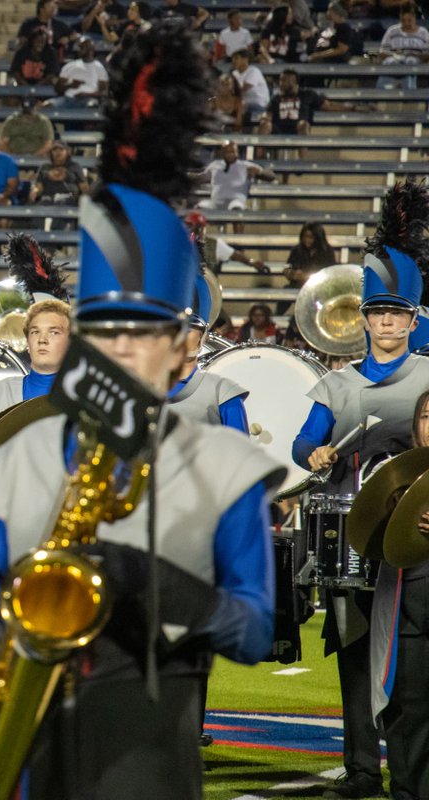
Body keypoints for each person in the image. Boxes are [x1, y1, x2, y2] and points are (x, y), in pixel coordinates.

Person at [0, 29, 282, 798]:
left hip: (148, 761)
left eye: (142, 335)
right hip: (25, 752)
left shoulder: (224, 469)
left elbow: (256, 631)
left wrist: (147, 578)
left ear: (180, 347)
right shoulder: (26, 455)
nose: (121, 353)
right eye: (103, 333)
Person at [293, 182, 429, 800]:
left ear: (413, 318)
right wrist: (315, 452)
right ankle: (357, 771)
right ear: (364, 319)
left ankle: (410, 771)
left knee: (413, 658)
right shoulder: (338, 381)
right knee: (353, 651)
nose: (386, 325)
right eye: (377, 315)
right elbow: (303, 443)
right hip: (354, 531)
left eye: (396, 315)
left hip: (419, 534)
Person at [369, 388, 429, 800]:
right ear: (415, 426)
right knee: (410, 713)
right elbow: (368, 533)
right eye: (427, 416)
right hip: (408, 608)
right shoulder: (392, 471)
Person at [0, 233, 70, 426]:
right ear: (28, 341)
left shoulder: (85, 400)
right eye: (35, 332)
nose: (42, 339)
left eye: (54, 332)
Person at [169, 269, 249, 430]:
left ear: (202, 336)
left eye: (188, 329)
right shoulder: (140, 389)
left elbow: (238, 451)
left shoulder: (222, 393)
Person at [192, 141, 277, 212]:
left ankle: (238, 233)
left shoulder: (246, 166)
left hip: (236, 201)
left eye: (232, 152)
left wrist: (260, 172)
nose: (230, 154)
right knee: (199, 208)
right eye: (227, 152)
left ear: (237, 153)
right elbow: (202, 178)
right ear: (222, 153)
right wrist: (188, 176)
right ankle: (196, 232)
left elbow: (272, 176)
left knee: (236, 207)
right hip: (215, 203)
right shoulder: (215, 165)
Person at [54, 36, 107, 107]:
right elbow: (57, 89)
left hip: (88, 99)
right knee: (48, 105)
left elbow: (104, 92)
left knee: (92, 105)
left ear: (90, 50)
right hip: (68, 99)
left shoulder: (99, 67)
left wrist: (86, 94)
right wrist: (70, 85)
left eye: (82, 48)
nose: (79, 50)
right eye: (80, 47)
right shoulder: (70, 66)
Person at [285, 221, 336, 289]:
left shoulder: (327, 251)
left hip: (320, 287)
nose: (307, 240)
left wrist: (305, 275)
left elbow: (329, 274)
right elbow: (289, 267)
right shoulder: (297, 250)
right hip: (299, 286)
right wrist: (292, 273)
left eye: (310, 237)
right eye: (305, 237)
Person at [230, 49, 270, 123]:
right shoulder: (234, 73)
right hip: (243, 105)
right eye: (232, 59)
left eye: (236, 58)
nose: (233, 61)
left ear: (245, 59)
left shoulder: (254, 71)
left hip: (258, 106)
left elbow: (241, 90)